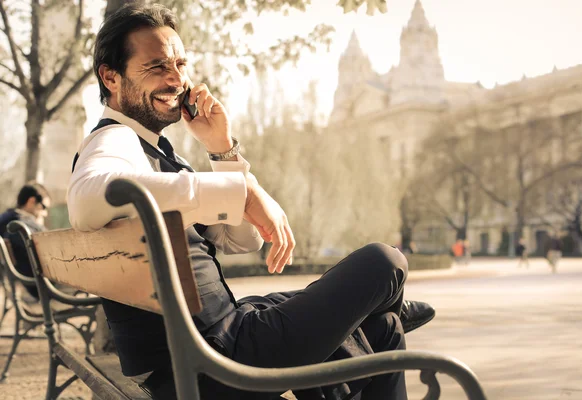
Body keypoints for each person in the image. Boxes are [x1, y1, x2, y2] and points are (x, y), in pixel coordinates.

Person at [68, 5, 435, 399]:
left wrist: (222, 149)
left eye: (180, 63)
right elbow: (88, 200)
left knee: (382, 330)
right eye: (157, 67)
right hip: (216, 360)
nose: (177, 78)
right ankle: (383, 308)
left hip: (208, 347)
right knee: (386, 261)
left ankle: (381, 314)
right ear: (111, 76)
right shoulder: (113, 141)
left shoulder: (152, 152)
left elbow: (243, 240)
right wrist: (242, 193)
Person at [0, 184, 51, 298]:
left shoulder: (6, 220)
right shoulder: (21, 226)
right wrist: (39, 226)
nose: (45, 213)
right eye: (44, 207)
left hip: (26, 283)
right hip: (42, 286)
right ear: (31, 201)